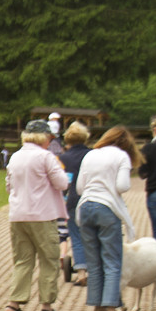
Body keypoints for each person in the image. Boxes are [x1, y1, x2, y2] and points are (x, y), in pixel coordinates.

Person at [3, 120, 69, 311]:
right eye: (49, 138)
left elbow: (8, 185)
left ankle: (14, 303)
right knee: (49, 259)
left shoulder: (15, 157)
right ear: (43, 137)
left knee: (23, 260)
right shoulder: (45, 156)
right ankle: (47, 306)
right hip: (42, 214)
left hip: (18, 215)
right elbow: (62, 183)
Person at [76, 126, 142, 311]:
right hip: (107, 207)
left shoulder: (90, 155)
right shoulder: (121, 157)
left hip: (86, 207)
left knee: (94, 261)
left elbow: (80, 187)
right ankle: (111, 307)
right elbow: (122, 186)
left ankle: (97, 306)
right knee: (112, 260)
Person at [59, 122, 92, 286]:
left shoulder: (63, 158)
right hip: (91, 199)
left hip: (72, 200)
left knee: (76, 236)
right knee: (92, 235)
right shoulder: (93, 155)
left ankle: (81, 272)